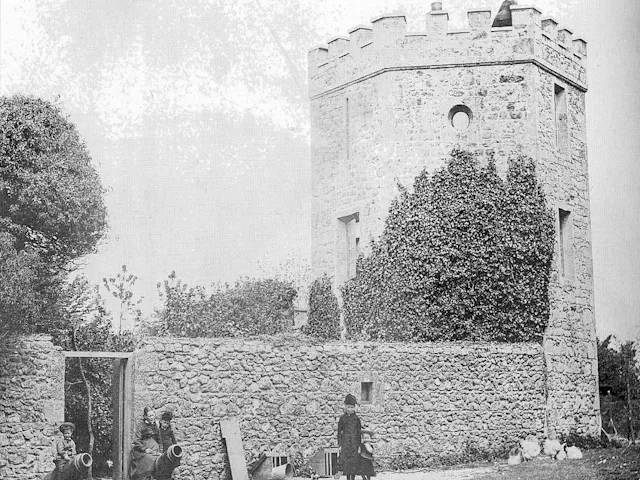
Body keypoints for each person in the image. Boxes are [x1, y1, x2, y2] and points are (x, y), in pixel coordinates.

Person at [336, 393, 362, 480]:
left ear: (355, 408)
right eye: (348, 407)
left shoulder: (357, 419)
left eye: (352, 407)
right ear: (345, 407)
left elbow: (359, 433)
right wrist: (340, 444)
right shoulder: (342, 418)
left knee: (353, 463)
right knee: (346, 463)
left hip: (354, 444)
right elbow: (339, 432)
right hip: (345, 443)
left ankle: (353, 477)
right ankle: (348, 478)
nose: (350, 409)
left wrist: (359, 445)